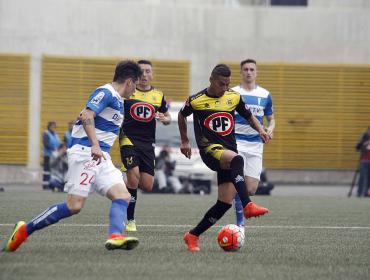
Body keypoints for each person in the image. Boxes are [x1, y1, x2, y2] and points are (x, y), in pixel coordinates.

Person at [4, 60, 143, 252]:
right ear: (129, 81)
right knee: (74, 206)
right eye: (135, 85)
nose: (135, 90)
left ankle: (115, 236)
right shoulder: (106, 93)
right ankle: (24, 231)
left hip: (102, 157)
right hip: (86, 153)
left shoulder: (119, 101)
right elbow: (86, 115)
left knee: (123, 196)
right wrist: (94, 144)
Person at [178, 63, 271, 251]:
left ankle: (192, 236)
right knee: (238, 159)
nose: (224, 89)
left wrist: (261, 130)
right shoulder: (196, 100)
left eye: (227, 84)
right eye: (221, 84)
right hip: (210, 150)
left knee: (224, 203)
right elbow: (181, 115)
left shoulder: (234, 97)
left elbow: (249, 116)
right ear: (211, 80)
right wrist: (185, 141)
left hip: (227, 150)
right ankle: (247, 206)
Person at [119, 60, 171, 232]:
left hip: (148, 143)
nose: (144, 74)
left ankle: (123, 191)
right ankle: (130, 220)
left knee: (147, 186)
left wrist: (165, 119)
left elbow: (168, 117)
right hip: (129, 140)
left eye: (148, 71)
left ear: (152, 74)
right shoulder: (128, 91)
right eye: (141, 71)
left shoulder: (158, 95)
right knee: (133, 178)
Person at [231, 59, 275, 231]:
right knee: (238, 181)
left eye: (251, 69)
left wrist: (270, 129)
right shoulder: (233, 92)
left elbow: (271, 119)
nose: (248, 72)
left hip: (256, 145)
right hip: (237, 143)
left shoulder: (265, 95)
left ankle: (244, 210)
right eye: (245, 69)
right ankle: (240, 223)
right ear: (240, 73)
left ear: (256, 73)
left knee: (250, 189)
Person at [42, 122, 61, 190]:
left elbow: (59, 144)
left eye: (54, 127)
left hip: (55, 155)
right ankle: (45, 185)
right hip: (48, 155)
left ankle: (51, 184)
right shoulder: (46, 134)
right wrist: (52, 148)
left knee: (53, 170)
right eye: (51, 127)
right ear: (49, 127)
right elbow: (46, 143)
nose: (53, 128)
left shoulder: (56, 134)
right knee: (46, 170)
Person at [356, 126, 370, 197]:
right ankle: (359, 191)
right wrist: (365, 142)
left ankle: (367, 192)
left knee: (369, 178)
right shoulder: (364, 138)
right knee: (362, 177)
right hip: (364, 160)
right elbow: (358, 148)